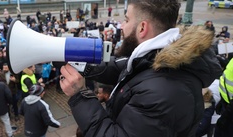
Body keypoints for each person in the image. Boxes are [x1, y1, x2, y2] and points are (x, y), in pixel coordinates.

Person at [58, 0, 222, 136]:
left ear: (142, 28)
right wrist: (83, 65)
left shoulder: (163, 93)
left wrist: (79, 96)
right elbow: (118, 67)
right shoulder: (159, 56)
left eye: (127, 20)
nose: (122, 26)